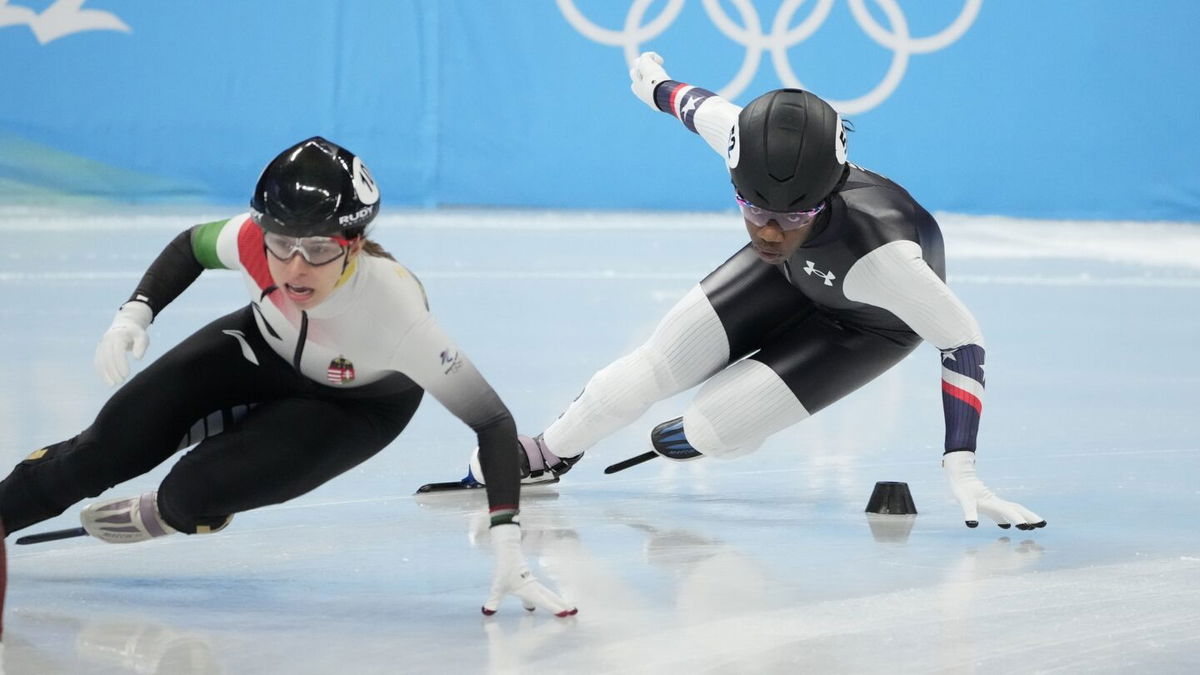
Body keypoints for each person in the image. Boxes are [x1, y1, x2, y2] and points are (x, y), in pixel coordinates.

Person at [469, 53, 1045, 532]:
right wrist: (656, 85)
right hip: (793, 272)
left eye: (793, 215)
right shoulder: (745, 147)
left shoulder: (887, 258)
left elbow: (963, 341)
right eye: (752, 209)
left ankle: (698, 437)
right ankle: (544, 454)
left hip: (867, 324)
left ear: (829, 192)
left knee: (709, 429)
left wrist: (961, 465)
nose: (768, 231)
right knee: (653, 366)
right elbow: (694, 106)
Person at [0, 136, 576, 616]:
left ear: (354, 245)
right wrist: (134, 313)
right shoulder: (257, 241)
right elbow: (189, 246)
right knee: (105, 447)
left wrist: (506, 537)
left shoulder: (395, 312)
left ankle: (180, 511)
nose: (296, 267)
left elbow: (493, 421)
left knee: (190, 493)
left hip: (355, 407)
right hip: (260, 348)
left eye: (320, 248)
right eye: (282, 245)